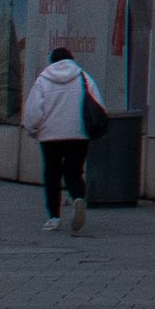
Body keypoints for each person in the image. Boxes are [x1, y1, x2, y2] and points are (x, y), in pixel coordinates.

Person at [21, 45, 105, 236]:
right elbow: (97, 103)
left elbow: (34, 111)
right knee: (74, 171)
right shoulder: (83, 77)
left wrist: (33, 129)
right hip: (78, 134)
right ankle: (77, 198)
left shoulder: (43, 80)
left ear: (52, 61)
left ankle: (54, 217)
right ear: (71, 59)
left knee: (52, 173)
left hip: (50, 136)